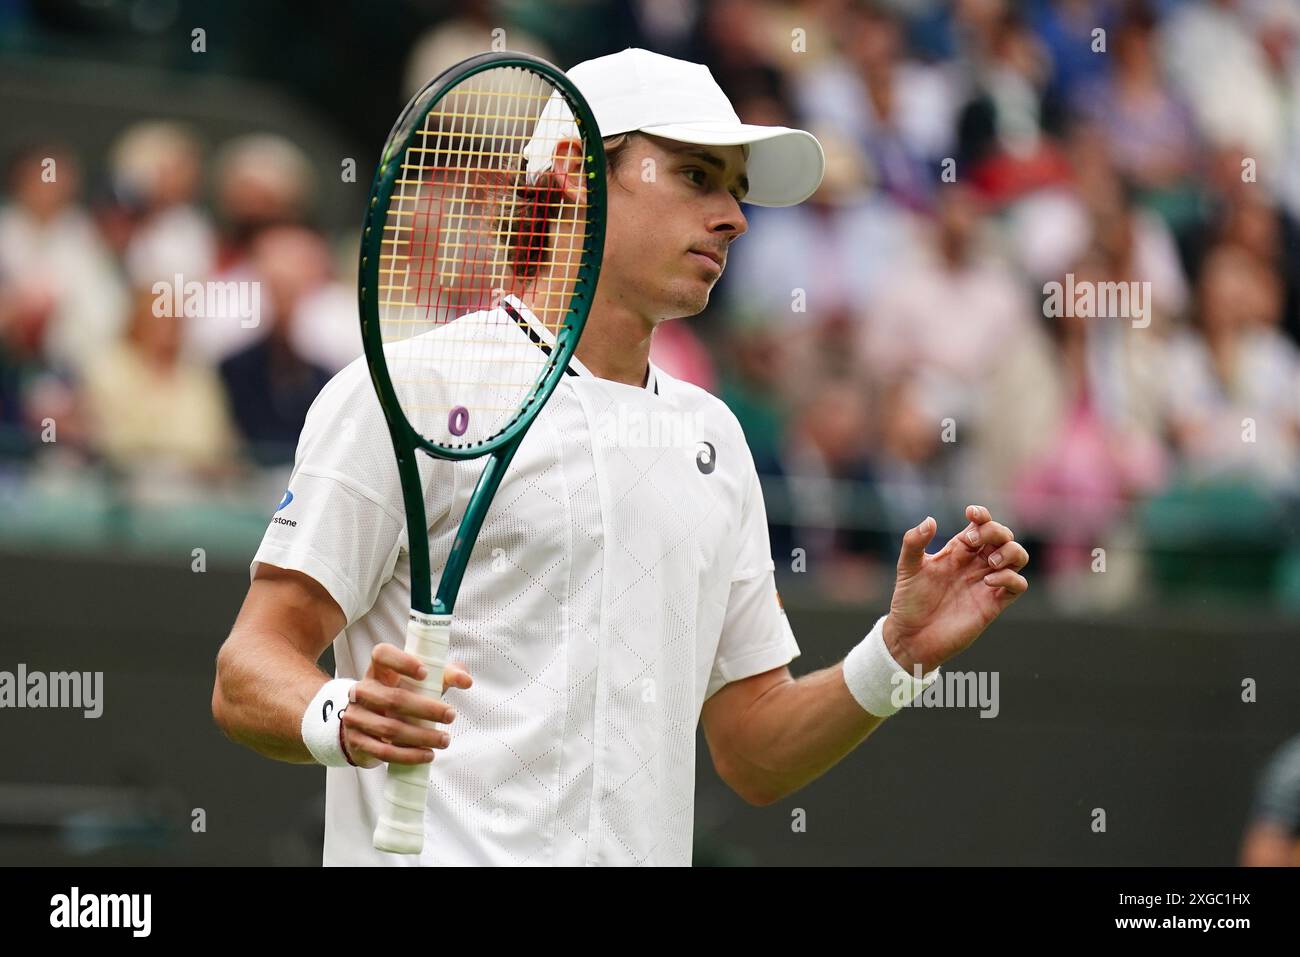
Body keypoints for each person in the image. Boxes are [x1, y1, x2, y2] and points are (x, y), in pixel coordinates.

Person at [211, 48, 1030, 866]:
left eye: (735, 190)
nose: (734, 217)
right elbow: (248, 669)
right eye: (696, 176)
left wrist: (898, 655)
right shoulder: (406, 392)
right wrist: (342, 714)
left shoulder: (715, 439)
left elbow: (752, 749)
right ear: (575, 168)